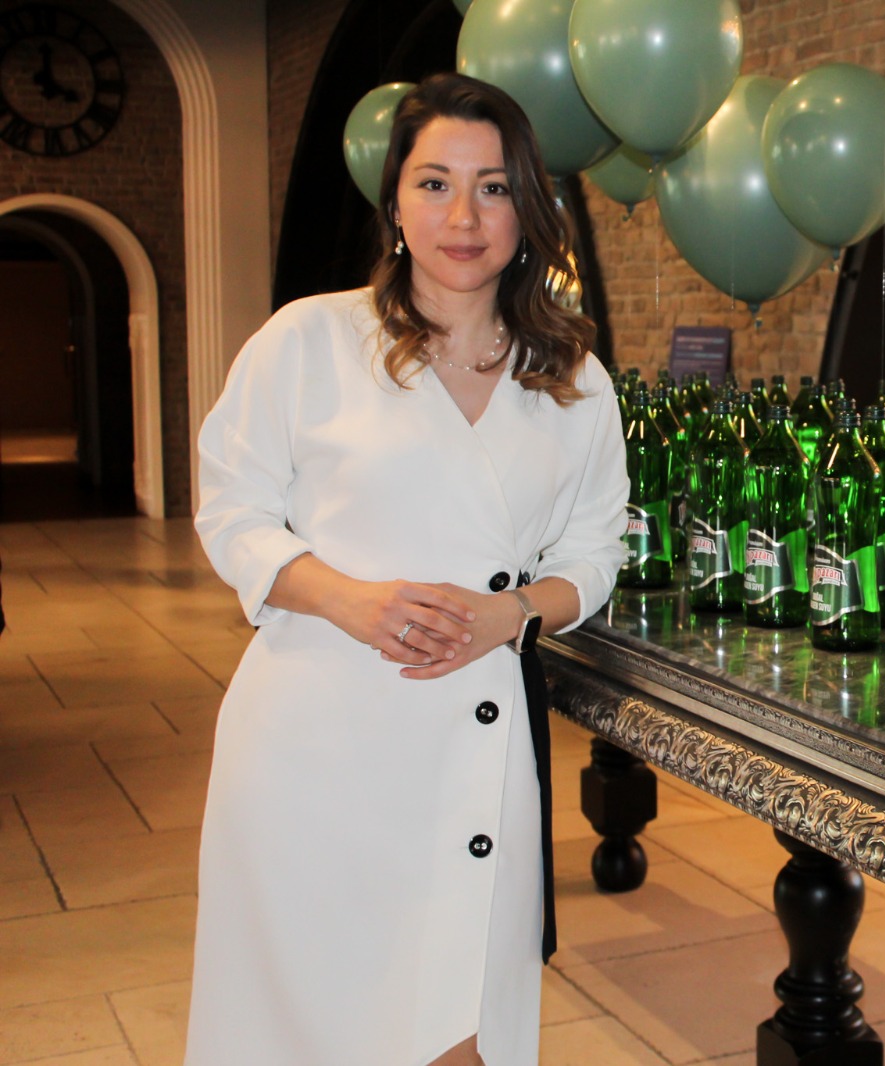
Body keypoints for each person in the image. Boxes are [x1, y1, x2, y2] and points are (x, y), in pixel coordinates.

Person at [186, 73, 628, 1066]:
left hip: (473, 744)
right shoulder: (309, 340)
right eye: (434, 183)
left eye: (493, 187)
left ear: (527, 206)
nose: (462, 216)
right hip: (314, 744)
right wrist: (349, 599)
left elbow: (596, 550)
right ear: (393, 202)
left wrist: (510, 614)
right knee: (306, 1023)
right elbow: (232, 509)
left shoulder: (570, 376)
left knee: (457, 1025)